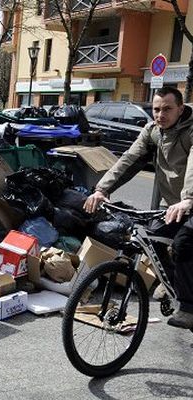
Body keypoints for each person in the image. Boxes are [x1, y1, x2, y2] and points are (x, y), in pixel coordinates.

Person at [83, 86, 193, 329]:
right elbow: (128, 160)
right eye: (156, 109)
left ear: (181, 109)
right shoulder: (153, 132)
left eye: (167, 109)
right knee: (152, 238)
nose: (160, 114)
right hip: (175, 204)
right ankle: (175, 285)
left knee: (184, 242)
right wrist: (102, 189)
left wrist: (189, 198)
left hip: (189, 200)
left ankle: (188, 307)